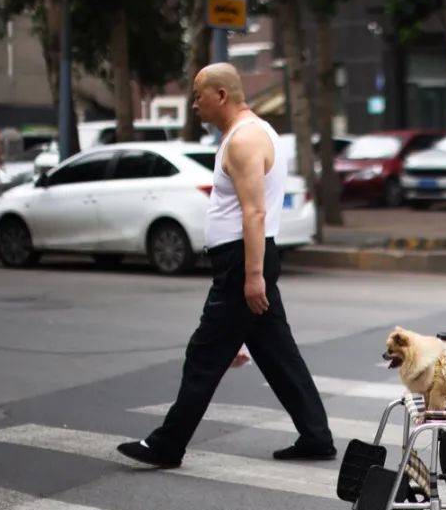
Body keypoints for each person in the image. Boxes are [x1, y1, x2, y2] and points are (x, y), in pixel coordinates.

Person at [118, 63, 337, 468]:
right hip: (245, 259)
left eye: (198, 95)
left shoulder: (244, 139)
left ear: (221, 94)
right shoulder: (254, 132)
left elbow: (253, 213)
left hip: (242, 260)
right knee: (277, 353)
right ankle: (316, 436)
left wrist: (252, 277)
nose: (194, 104)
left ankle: (168, 445)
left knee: (204, 354)